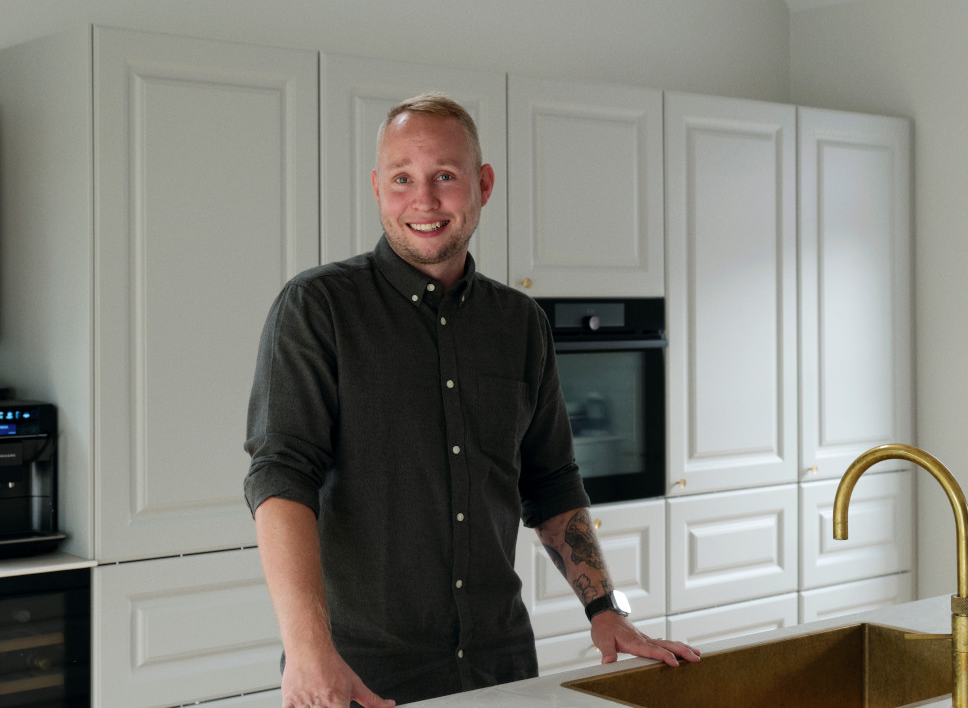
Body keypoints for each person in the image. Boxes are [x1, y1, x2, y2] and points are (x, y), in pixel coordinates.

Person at [243, 92, 700, 708]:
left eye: (445, 176)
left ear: (483, 185)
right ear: (377, 188)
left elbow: (552, 481)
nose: (424, 200)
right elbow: (279, 476)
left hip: (499, 666)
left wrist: (607, 609)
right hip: (359, 676)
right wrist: (306, 652)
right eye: (402, 178)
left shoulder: (521, 323)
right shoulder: (318, 308)